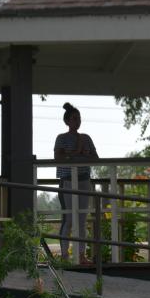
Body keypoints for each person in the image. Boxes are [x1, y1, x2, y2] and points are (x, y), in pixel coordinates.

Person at [53, 102, 97, 263]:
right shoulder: (61, 138)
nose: (77, 121)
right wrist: (75, 153)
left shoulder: (86, 138)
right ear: (67, 121)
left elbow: (96, 158)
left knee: (82, 219)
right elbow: (57, 158)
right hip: (67, 181)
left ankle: (81, 255)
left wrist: (83, 154)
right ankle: (64, 255)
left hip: (84, 180)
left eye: (79, 118)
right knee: (69, 219)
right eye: (74, 118)